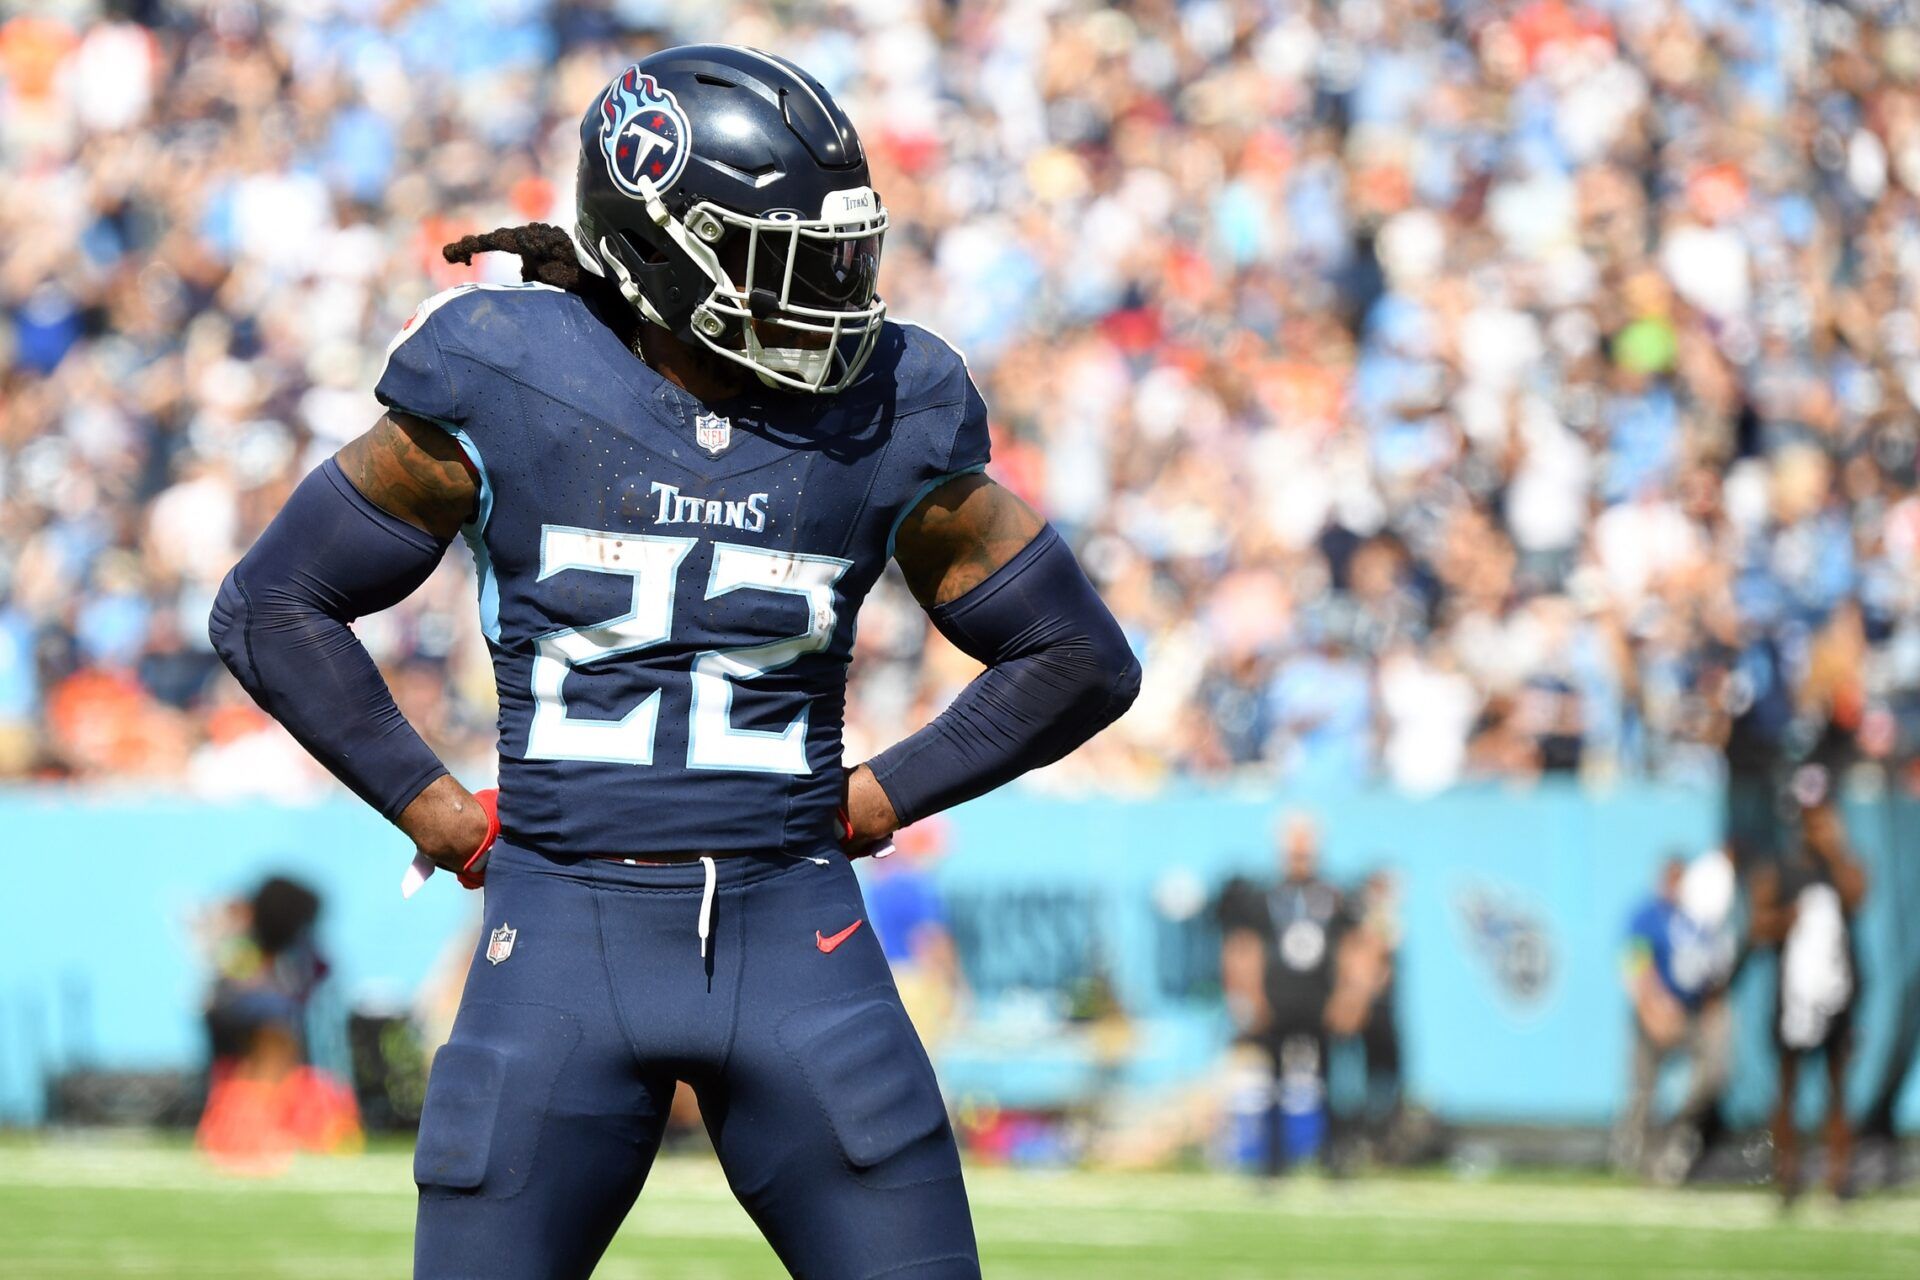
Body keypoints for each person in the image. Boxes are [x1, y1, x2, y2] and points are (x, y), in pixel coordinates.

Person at [208, 45, 1139, 1280]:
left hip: (783, 929)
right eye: (786, 259)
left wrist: (889, 789)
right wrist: (432, 805)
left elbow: (1080, 654)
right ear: (660, 249)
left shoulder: (890, 403)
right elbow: (273, 603)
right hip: (574, 944)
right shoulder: (506, 371)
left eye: (843, 252)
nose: (834, 292)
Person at [1751, 770, 1869, 1203]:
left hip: (1840, 997)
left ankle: (1839, 1177)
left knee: (1839, 1088)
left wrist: (1835, 854)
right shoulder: (1779, 869)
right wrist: (1786, 921)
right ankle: (1787, 1176)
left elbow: (1859, 896)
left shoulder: (1842, 867)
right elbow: (1757, 927)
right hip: (1794, 999)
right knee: (1789, 1087)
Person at [1218, 812, 1352, 1175]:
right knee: (1272, 1082)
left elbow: (1350, 949)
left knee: (1329, 1082)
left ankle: (1331, 1157)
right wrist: (1249, 997)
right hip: (1277, 1000)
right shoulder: (1265, 896)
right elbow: (1243, 947)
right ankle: (1273, 1160)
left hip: (1318, 1000)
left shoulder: (1332, 896)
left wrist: (1346, 996)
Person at [1611, 848, 1738, 1183]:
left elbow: (1716, 976)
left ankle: (1679, 1141)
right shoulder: (1649, 915)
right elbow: (1635, 962)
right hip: (1656, 1007)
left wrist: (1712, 1013)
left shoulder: (1705, 920)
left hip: (1692, 1012)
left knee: (1714, 1070)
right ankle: (1636, 1152)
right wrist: (1652, 1007)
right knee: (1643, 1087)